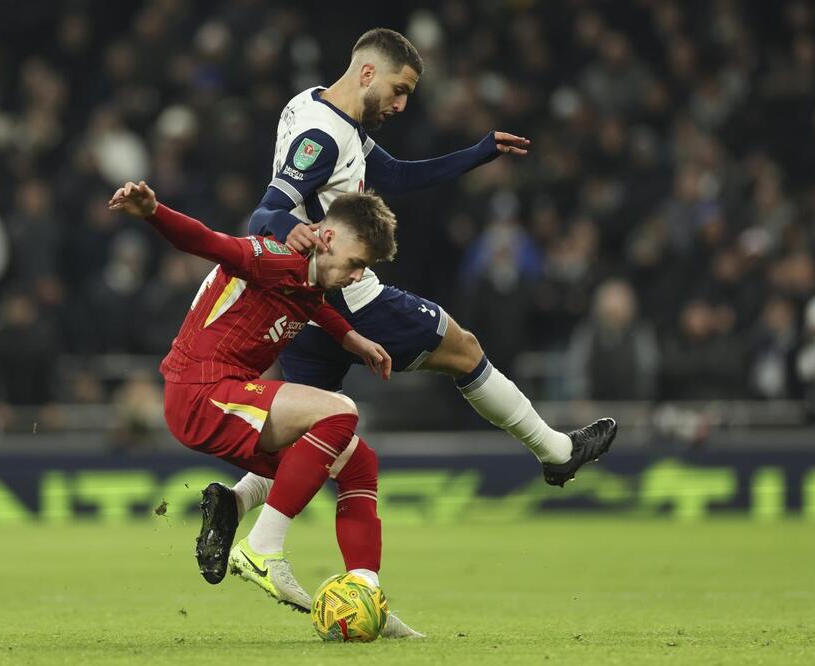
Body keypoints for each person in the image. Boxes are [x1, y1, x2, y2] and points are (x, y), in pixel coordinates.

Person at [198, 28, 617, 596]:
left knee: (316, 437)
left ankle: (237, 502)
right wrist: (299, 231)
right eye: (399, 90)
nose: (400, 105)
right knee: (463, 348)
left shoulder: (316, 109)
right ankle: (556, 452)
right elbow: (264, 213)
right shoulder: (323, 134)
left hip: (304, 303)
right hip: (345, 293)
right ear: (368, 73)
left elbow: (393, 176)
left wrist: (477, 152)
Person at [108, 180, 421, 638]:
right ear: (327, 238)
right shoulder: (273, 256)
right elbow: (207, 241)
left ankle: (364, 594)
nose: (358, 276)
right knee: (339, 411)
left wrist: (352, 339)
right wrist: (155, 212)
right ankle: (262, 546)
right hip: (202, 391)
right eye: (356, 264)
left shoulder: (311, 278)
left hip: (230, 391)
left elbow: (311, 303)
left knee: (358, 463)